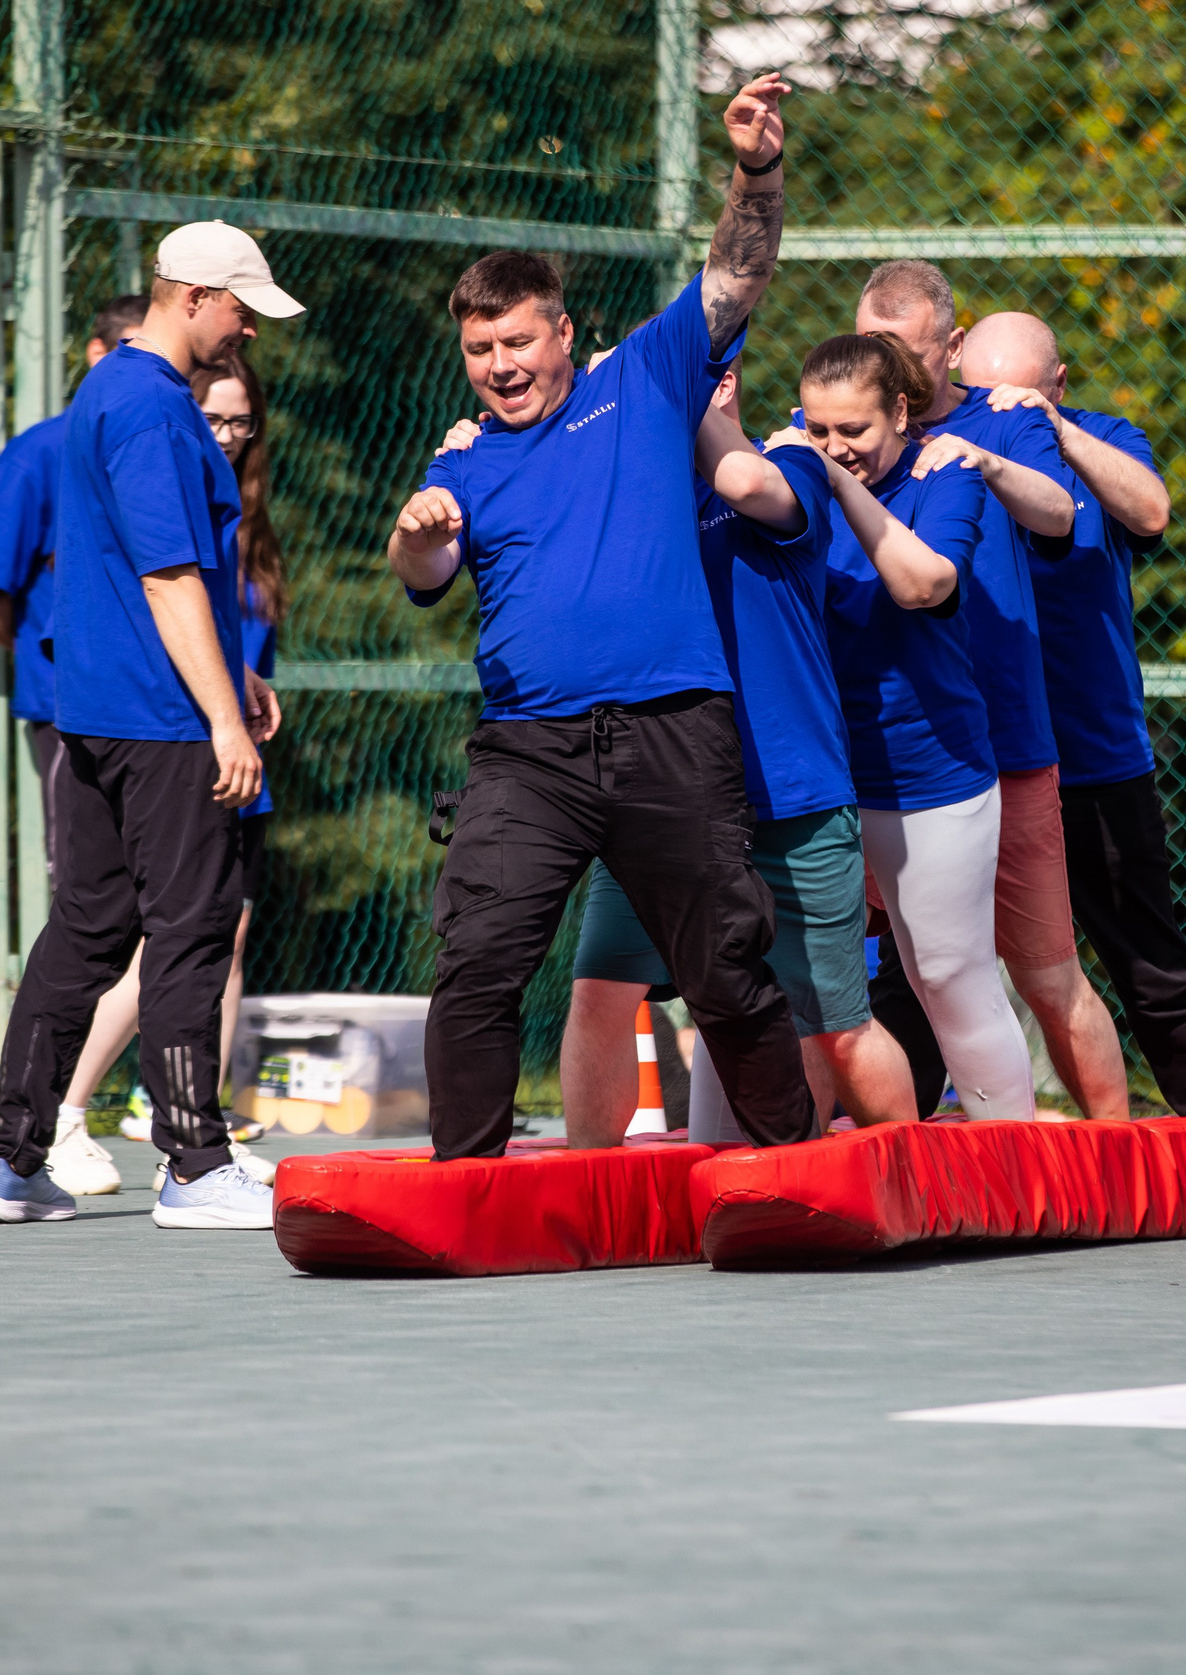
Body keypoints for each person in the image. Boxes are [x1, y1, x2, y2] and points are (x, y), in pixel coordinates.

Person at [387, 76, 823, 1162]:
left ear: (563, 333)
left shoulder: (643, 378)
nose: (501, 368)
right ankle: (466, 1185)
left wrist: (755, 169)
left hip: (673, 730)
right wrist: (416, 526)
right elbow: (427, 567)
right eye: (481, 353)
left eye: (518, 345)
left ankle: (795, 1173)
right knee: (479, 958)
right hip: (528, 752)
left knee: (724, 966)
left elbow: (737, 274)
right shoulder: (465, 458)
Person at [0, 220, 299, 1229]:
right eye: (241, 307)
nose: (247, 329)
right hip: (160, 723)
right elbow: (165, 573)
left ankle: (13, 1166)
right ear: (192, 294)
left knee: (85, 928)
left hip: (94, 713)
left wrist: (234, 672)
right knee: (194, 926)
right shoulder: (157, 408)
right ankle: (197, 1166)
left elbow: (128, 572)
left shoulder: (99, 396)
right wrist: (222, 721)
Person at [525, 364, 920, 1143]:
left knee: (832, 1023)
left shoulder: (796, 463)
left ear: (723, 382)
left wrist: (679, 388)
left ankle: (908, 1183)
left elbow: (742, 484)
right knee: (601, 993)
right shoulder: (631, 492)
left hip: (795, 798)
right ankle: (590, 1194)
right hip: (657, 797)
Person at [850, 263, 1128, 1119]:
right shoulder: (836, 432)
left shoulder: (995, 420)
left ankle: (1117, 1161)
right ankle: (858, 1159)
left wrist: (982, 463)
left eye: (908, 352)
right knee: (844, 979)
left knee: (1047, 972)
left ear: (954, 346)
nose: (888, 370)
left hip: (1002, 744)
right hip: (875, 755)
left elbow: (1059, 512)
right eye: (872, 349)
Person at [959, 309, 1186, 1118]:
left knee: (1146, 957)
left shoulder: (1100, 436)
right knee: (927, 966)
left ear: (1058, 386)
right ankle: (899, 1138)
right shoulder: (943, 447)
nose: (999, 411)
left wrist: (1055, 431)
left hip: (1094, 758)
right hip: (979, 761)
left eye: (1019, 397)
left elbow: (1151, 511)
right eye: (980, 394)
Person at [47, 348, 288, 1194]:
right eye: (212, 417)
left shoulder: (237, 514)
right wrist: (221, 717)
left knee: (220, 940)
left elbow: (214, 623)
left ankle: (191, 1125)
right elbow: (161, 592)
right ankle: (63, 1117)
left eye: (240, 421)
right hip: (169, 738)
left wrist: (243, 689)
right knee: (152, 942)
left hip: (228, 743)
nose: (226, 435)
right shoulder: (146, 450)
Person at [797, 330, 1036, 1119]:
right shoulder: (794, 479)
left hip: (929, 771)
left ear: (900, 411)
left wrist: (837, 483)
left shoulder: (945, 475)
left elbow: (924, 584)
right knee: (797, 983)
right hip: (823, 780)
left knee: (946, 973)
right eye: (819, 430)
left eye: (854, 432)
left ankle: (1016, 1162)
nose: (836, 448)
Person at [0, 295, 150, 887]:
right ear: (96, 353)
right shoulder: (41, 451)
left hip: (162, 703)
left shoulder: (171, 435)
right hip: (72, 707)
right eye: (132, 348)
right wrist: (31, 644)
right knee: (90, 885)